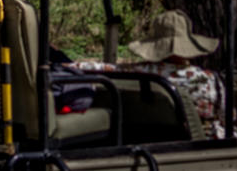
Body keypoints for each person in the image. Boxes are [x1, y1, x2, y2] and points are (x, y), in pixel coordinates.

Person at [71, 10, 228, 139]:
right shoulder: (208, 81)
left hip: (148, 139)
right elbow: (226, 116)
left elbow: (105, 67)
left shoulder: (138, 74)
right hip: (197, 142)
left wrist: (71, 66)